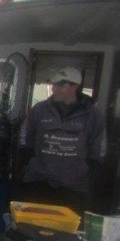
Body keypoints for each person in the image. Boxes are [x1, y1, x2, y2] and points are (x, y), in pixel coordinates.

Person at [17, 66, 107, 214]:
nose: (54, 89)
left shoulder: (93, 114)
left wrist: (87, 167)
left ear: (75, 87)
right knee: (32, 225)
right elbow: (24, 135)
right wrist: (29, 158)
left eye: (61, 85)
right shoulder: (39, 109)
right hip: (38, 180)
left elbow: (99, 145)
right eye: (54, 84)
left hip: (73, 186)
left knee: (67, 230)